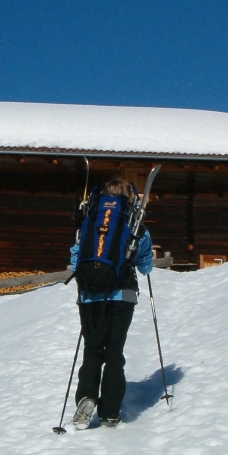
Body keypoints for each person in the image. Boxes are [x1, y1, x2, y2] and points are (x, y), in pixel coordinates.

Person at [69, 178, 154, 429]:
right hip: (122, 295)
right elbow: (145, 263)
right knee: (114, 352)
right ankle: (109, 413)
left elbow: (75, 258)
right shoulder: (135, 223)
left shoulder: (89, 221)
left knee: (93, 350)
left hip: (90, 296)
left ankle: (86, 397)